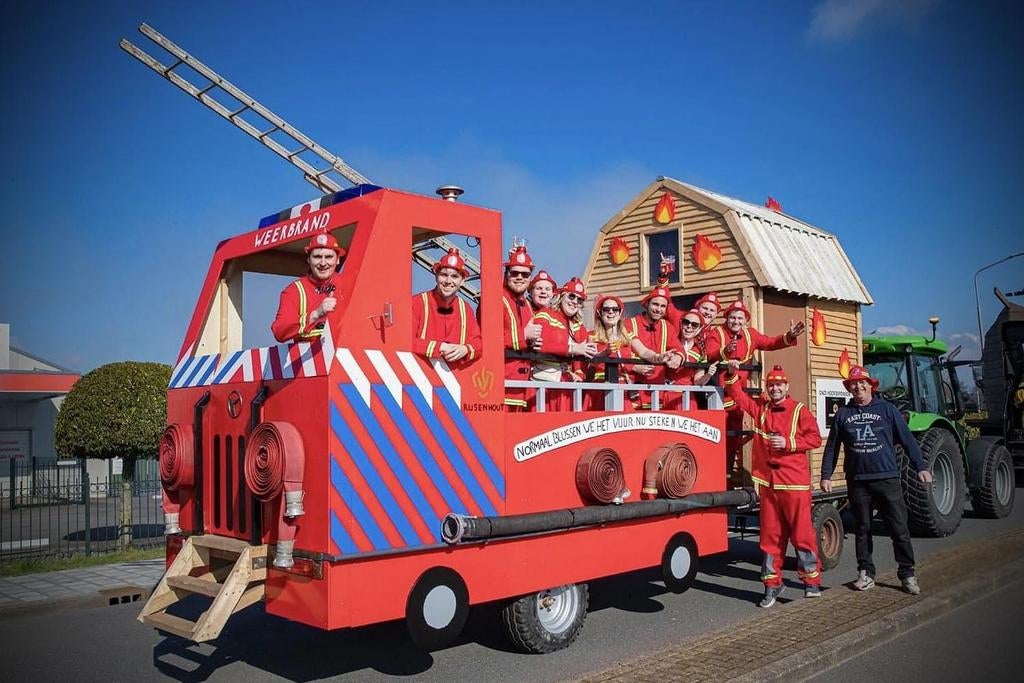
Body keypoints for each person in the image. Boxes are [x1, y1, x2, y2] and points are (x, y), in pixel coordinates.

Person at [820, 365, 934, 595]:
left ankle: (908, 574)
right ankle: (866, 572)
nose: (858, 386)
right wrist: (826, 475)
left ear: (871, 385)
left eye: (863, 382)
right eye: (854, 383)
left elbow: (907, 440)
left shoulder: (888, 410)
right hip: (858, 481)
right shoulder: (843, 414)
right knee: (862, 528)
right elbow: (832, 448)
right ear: (849, 388)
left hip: (887, 479)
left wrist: (920, 466)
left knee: (898, 527)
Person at [726, 364, 823, 607]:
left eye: (779, 384)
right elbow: (737, 395)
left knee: (802, 534)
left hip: (795, 485)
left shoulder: (799, 410)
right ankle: (771, 584)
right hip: (768, 485)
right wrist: (731, 373)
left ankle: (811, 581)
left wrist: (790, 442)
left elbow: (814, 438)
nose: (775, 388)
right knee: (770, 538)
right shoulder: (761, 409)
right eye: (771, 385)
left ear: (787, 386)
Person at [704, 299, 805, 479]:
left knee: (734, 436)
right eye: (732, 317)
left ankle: (726, 474)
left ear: (745, 320)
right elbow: (710, 355)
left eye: (740, 318)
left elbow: (770, 343)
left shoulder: (750, 335)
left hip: (737, 395)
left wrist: (788, 336)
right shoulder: (716, 333)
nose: (736, 321)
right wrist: (726, 351)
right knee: (714, 434)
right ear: (726, 317)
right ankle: (713, 472)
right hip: (716, 392)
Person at [585, 294, 666, 410]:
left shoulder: (628, 336)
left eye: (615, 309)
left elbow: (644, 352)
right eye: (606, 309)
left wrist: (660, 357)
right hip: (599, 389)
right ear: (600, 313)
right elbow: (590, 368)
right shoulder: (592, 336)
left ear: (620, 313)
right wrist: (605, 353)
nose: (611, 312)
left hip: (623, 389)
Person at [530, 278, 597, 411]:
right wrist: (574, 349)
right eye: (571, 296)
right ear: (561, 296)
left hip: (566, 384)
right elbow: (540, 345)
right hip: (545, 381)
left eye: (580, 300)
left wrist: (579, 374)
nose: (575, 302)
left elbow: (584, 353)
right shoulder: (545, 315)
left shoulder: (579, 325)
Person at [411, 248, 482, 367]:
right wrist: (440, 347)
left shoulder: (465, 308)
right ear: (436, 275)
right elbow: (405, 340)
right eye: (444, 275)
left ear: (462, 281)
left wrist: (465, 349)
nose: (448, 281)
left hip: (455, 380)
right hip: (420, 376)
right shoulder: (417, 303)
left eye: (455, 276)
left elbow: (478, 343)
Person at [271, 232, 346, 343]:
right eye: (317, 257)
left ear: (338, 260)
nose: (323, 263)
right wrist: (315, 315)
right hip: (309, 359)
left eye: (329, 257)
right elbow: (279, 331)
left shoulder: (349, 283)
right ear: (308, 259)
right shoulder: (294, 291)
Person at [625, 285, 683, 410]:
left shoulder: (667, 326)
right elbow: (620, 352)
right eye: (655, 304)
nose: (659, 309)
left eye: (663, 306)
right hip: (633, 389)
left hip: (657, 389)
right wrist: (633, 366)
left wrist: (678, 357)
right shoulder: (629, 324)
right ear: (646, 304)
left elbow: (679, 348)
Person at [502, 242, 543, 411]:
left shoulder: (526, 303)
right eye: (515, 273)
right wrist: (523, 336)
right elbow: (486, 340)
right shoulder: (494, 299)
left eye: (525, 275)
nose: (520, 277)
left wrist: (535, 344)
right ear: (506, 274)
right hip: (501, 384)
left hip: (523, 386)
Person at [662, 309, 718, 410]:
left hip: (686, 397)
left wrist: (708, 375)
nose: (689, 326)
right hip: (665, 395)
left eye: (694, 325)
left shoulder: (700, 351)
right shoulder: (669, 343)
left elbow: (698, 381)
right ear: (681, 324)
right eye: (686, 322)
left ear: (700, 329)